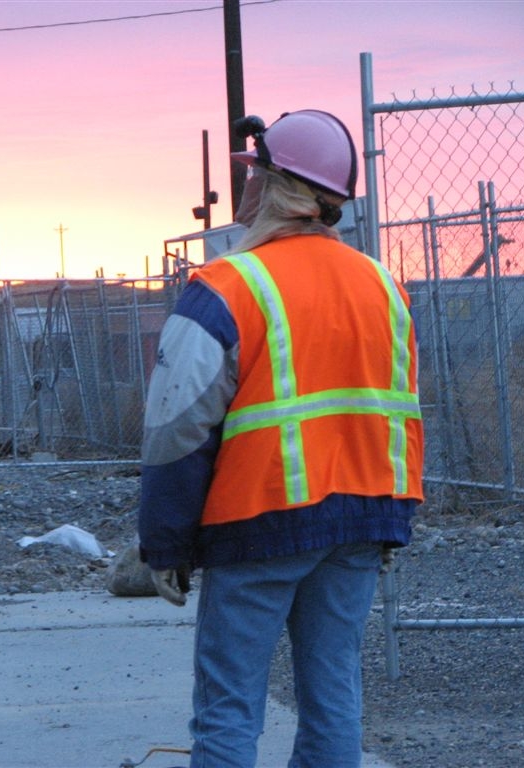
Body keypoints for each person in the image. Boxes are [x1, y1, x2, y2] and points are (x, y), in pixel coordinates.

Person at [138, 109, 424, 768]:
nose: (242, 190)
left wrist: (166, 540)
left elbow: (176, 426)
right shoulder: (384, 287)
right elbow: (402, 412)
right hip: (360, 519)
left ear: (275, 185)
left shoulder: (228, 287)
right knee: (333, 701)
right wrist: (390, 519)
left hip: (258, 523)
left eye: (252, 175)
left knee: (229, 708)